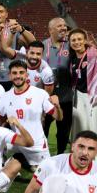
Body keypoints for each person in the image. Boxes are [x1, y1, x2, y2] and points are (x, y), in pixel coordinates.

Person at [0, 61, 62, 170]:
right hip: (15, 142)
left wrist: (57, 106)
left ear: (27, 75)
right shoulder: (5, 97)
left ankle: (22, 162)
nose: (18, 76)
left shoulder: (40, 94)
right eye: (14, 73)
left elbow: (59, 118)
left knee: (45, 173)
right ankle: (7, 163)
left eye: (21, 72)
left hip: (36, 144)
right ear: (9, 76)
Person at [68, 29, 97, 162]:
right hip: (78, 97)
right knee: (79, 127)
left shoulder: (96, 55)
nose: (77, 42)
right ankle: (79, 156)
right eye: (73, 40)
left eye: (79, 39)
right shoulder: (72, 57)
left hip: (96, 97)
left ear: (85, 40)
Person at [42, 17, 72, 154]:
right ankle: (42, 156)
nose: (63, 28)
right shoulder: (42, 46)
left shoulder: (71, 45)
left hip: (66, 96)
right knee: (43, 128)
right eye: (59, 26)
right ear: (50, 30)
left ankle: (60, 155)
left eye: (64, 25)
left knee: (64, 130)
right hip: (46, 96)